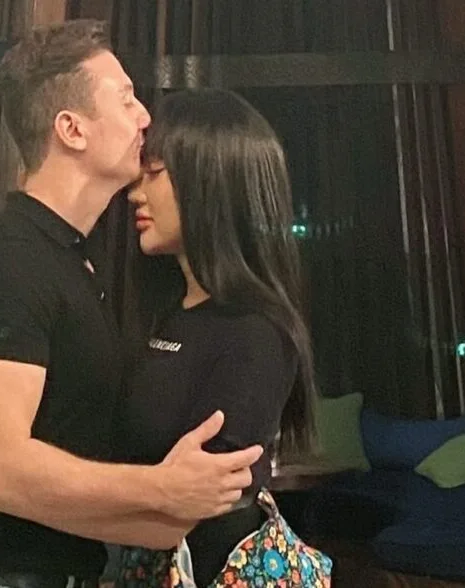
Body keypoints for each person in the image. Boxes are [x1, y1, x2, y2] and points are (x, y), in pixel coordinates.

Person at [0, 20, 263, 588]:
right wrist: (161, 488)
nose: (145, 116)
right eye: (125, 99)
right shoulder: (11, 265)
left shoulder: (73, 261)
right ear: (71, 129)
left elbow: (6, 467)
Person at [114, 88, 317, 586]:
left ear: (212, 182)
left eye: (154, 173)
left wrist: (2, 496)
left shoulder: (257, 333)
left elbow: (191, 506)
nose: (135, 193)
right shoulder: (160, 312)